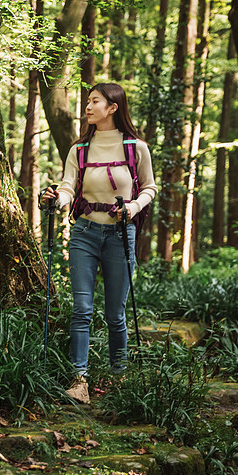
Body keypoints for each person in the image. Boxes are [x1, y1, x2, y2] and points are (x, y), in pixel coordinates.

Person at [42, 83, 158, 404]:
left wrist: (133, 208)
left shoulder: (136, 148)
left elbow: (149, 187)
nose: (88, 107)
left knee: (115, 314)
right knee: (81, 309)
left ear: (113, 108)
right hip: (85, 234)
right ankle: (79, 380)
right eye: (88, 102)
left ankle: (119, 377)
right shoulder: (79, 150)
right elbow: (68, 188)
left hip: (121, 234)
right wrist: (54, 198)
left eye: (95, 102)